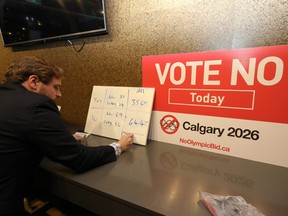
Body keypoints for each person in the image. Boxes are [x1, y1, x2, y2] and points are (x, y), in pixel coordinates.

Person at [0, 56, 134, 215]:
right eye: (55, 87)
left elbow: (17, 135)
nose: (59, 94)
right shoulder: (36, 105)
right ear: (34, 82)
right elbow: (79, 158)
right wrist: (117, 147)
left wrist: (63, 140)